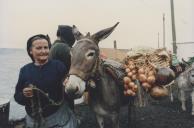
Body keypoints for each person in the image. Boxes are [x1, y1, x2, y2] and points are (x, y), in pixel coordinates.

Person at [14, 34, 77, 128]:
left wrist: (67, 86)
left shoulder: (58, 66)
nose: (43, 51)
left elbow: (69, 95)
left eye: (46, 47)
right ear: (30, 51)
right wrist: (24, 95)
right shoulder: (25, 70)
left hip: (58, 120)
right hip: (33, 122)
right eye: (39, 48)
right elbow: (17, 96)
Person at [49, 25, 75, 110]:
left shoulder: (54, 46)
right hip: (62, 85)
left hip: (55, 85)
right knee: (68, 108)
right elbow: (76, 60)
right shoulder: (62, 47)